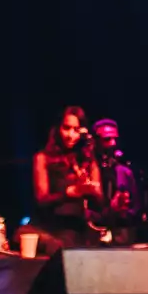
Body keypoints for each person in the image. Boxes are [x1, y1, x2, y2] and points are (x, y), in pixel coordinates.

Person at [23, 106, 104, 252]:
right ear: (57, 128)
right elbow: (41, 199)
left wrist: (91, 190)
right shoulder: (43, 158)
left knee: (63, 245)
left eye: (76, 130)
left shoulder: (87, 161)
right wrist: (70, 192)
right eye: (66, 128)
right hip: (45, 226)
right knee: (24, 235)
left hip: (73, 230)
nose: (70, 135)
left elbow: (99, 204)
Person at [89, 118, 141, 242]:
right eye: (107, 139)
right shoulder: (87, 169)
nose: (112, 143)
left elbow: (136, 206)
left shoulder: (124, 172)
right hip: (93, 233)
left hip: (120, 234)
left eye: (115, 139)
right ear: (95, 141)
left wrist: (124, 212)